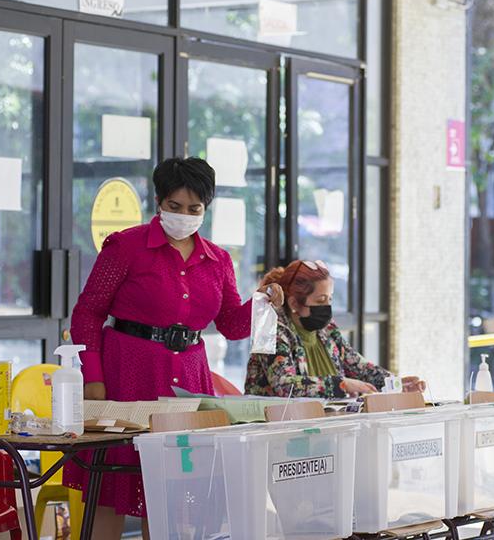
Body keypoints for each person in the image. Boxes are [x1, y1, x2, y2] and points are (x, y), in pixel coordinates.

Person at [64, 157, 283, 539]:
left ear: (206, 209)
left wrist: (262, 301)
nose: (184, 215)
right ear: (159, 202)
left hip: (188, 381)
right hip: (127, 374)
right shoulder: (125, 247)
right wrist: (93, 377)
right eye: (174, 206)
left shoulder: (218, 260)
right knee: (111, 485)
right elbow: (87, 314)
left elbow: (230, 325)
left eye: (194, 209)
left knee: (174, 490)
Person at [245, 259, 425, 398]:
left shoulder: (328, 330)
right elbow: (284, 385)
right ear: (293, 303)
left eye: (330, 299)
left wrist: (395, 383)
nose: (327, 307)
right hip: (276, 431)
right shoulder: (271, 331)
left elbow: (359, 367)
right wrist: (341, 384)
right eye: (320, 300)